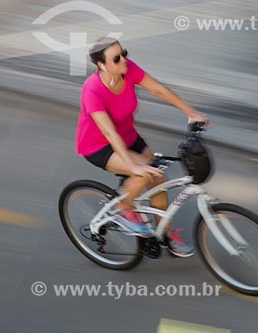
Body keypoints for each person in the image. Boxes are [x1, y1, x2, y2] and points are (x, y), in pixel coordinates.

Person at [76, 37, 208, 257]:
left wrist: (190, 112)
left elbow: (158, 90)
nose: (124, 60)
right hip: (99, 146)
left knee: (157, 177)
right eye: (116, 58)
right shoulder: (93, 91)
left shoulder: (128, 70)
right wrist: (133, 166)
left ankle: (164, 233)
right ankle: (122, 209)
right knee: (143, 174)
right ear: (102, 65)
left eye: (124, 53)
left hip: (128, 137)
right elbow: (108, 132)